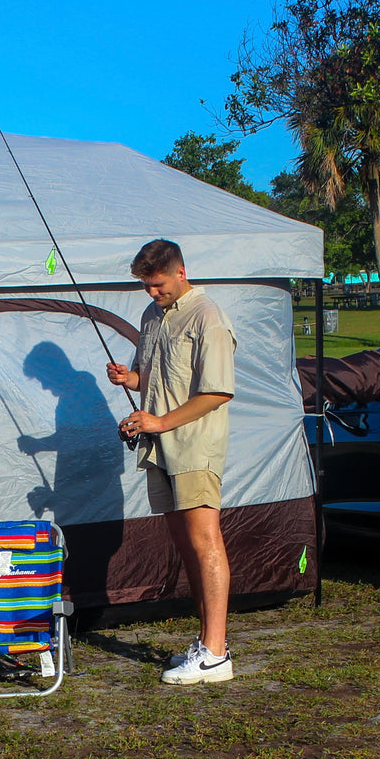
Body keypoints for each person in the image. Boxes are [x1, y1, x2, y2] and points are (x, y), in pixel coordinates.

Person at [108, 239, 235, 685]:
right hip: (159, 448)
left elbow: (217, 391)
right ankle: (207, 643)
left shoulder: (208, 317)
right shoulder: (151, 317)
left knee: (205, 543)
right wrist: (131, 379)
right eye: (145, 285)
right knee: (186, 547)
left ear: (180, 272)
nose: (151, 292)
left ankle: (217, 654)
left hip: (195, 447)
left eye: (157, 284)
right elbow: (154, 377)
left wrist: (159, 422)